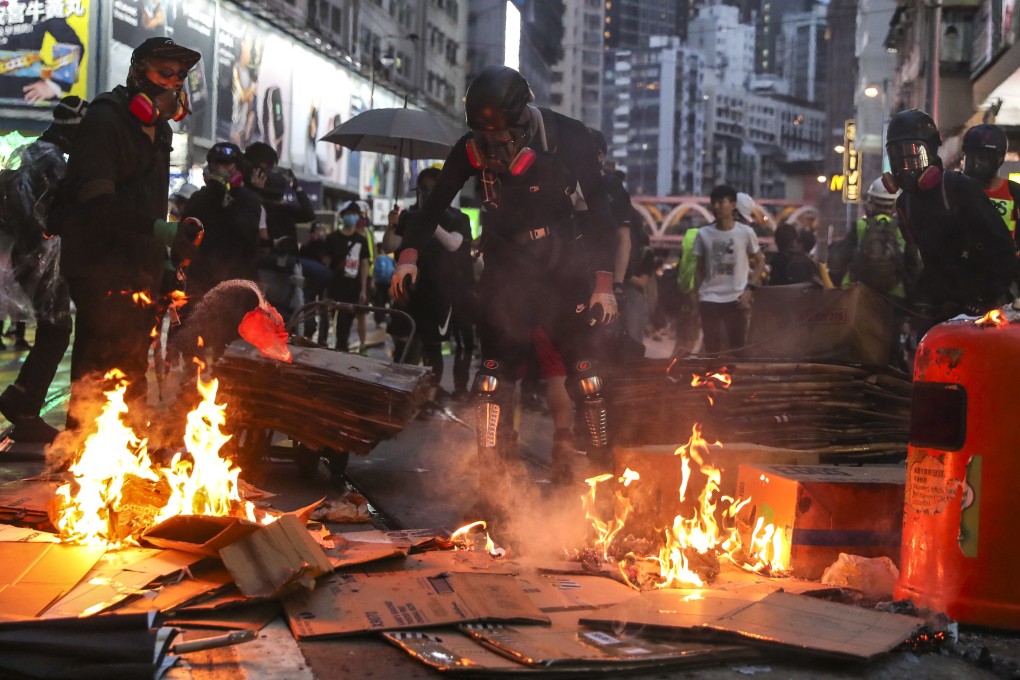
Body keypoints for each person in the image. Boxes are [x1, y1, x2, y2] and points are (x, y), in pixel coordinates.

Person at [390, 65, 619, 485]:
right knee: (491, 379)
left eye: (502, 137)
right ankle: (492, 478)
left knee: (588, 377)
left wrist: (604, 284)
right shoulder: (470, 149)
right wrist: (408, 257)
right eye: (485, 138)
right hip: (504, 267)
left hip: (561, 267)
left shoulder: (569, 137)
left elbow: (602, 210)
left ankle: (602, 471)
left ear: (524, 121)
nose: (494, 147)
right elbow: (436, 203)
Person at [59, 37, 204, 423]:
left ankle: (128, 455)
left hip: (139, 268)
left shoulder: (161, 132)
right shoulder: (105, 119)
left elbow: (149, 204)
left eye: (181, 76)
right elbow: (97, 207)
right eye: (165, 72)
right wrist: (162, 232)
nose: (175, 83)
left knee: (134, 364)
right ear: (138, 74)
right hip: (99, 267)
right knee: (99, 365)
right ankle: (80, 457)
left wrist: (164, 265)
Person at [0, 96, 87, 442]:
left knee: (54, 330)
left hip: (30, 256)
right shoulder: (51, 160)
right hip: (38, 257)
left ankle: (21, 398)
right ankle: (23, 405)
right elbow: (43, 214)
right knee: (57, 331)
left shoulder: (36, 153)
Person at [884, 109, 1015, 321]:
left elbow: (1003, 249)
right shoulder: (905, 202)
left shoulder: (958, 187)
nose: (906, 167)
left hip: (980, 307)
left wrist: (985, 298)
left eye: (913, 155)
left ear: (932, 151)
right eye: (898, 157)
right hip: (939, 306)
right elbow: (920, 262)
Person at [385, 168, 472, 394]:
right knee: (404, 344)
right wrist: (392, 225)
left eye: (432, 189)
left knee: (433, 347)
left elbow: (454, 244)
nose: (426, 193)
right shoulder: (408, 216)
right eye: (422, 188)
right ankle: (399, 392)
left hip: (439, 294)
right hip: (408, 291)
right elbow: (390, 246)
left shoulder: (458, 218)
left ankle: (430, 395)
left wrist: (430, 219)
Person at [177, 142, 263, 359]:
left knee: (228, 353)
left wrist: (227, 200)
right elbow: (184, 235)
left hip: (235, 289)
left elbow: (247, 234)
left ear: (237, 168)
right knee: (193, 348)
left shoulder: (249, 200)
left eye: (226, 164)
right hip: (200, 284)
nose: (220, 169)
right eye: (216, 164)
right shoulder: (200, 199)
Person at [693, 184, 765, 355]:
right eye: (713, 203)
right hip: (709, 299)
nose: (716, 207)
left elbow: (760, 261)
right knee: (712, 349)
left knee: (738, 349)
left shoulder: (746, 233)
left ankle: (735, 381)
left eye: (721, 202)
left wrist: (750, 290)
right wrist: (698, 296)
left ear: (733, 205)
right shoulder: (702, 234)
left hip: (736, 300)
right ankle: (711, 381)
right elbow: (699, 269)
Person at [836, 178, 909, 298]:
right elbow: (913, 264)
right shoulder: (902, 229)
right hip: (895, 297)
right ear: (895, 203)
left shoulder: (860, 226)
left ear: (871, 201)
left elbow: (838, 260)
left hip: (858, 294)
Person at [961, 123, 1020, 245]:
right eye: (971, 156)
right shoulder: (954, 190)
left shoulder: (1015, 193)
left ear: (1000, 159)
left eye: (983, 157)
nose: (976, 163)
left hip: (1004, 261)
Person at [324, 201, 371, 352]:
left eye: (354, 214)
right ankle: (333, 348)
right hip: (335, 286)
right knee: (333, 323)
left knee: (346, 325)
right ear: (343, 217)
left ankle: (341, 350)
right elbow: (326, 263)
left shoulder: (362, 240)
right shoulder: (332, 239)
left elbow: (364, 264)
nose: (352, 217)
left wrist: (363, 289)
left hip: (353, 288)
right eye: (349, 214)